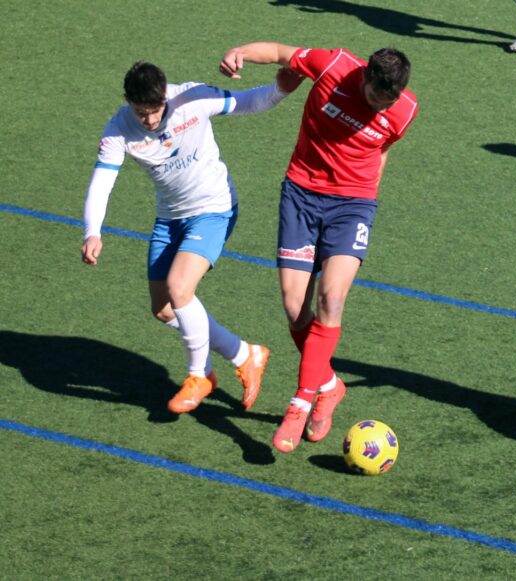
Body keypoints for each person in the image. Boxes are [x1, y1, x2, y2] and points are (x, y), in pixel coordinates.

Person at [219, 43, 419, 453]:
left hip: (353, 205)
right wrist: (240, 52)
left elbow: (381, 152)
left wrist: (364, 198)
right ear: (364, 77)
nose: (382, 107)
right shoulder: (332, 65)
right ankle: (327, 385)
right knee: (295, 308)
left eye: (390, 100)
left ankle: (300, 403)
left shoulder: (403, 110)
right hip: (301, 196)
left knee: (332, 298)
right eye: (376, 98)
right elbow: (277, 51)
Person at [82, 62, 303, 414]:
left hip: (214, 208)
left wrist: (281, 89)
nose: (150, 121)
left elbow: (246, 102)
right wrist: (93, 231)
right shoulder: (117, 130)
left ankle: (200, 374)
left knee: (179, 288)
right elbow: (103, 180)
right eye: (141, 113)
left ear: (166, 95)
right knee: (164, 307)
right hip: (169, 218)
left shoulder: (192, 98)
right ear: (128, 102)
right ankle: (246, 354)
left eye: (155, 112)